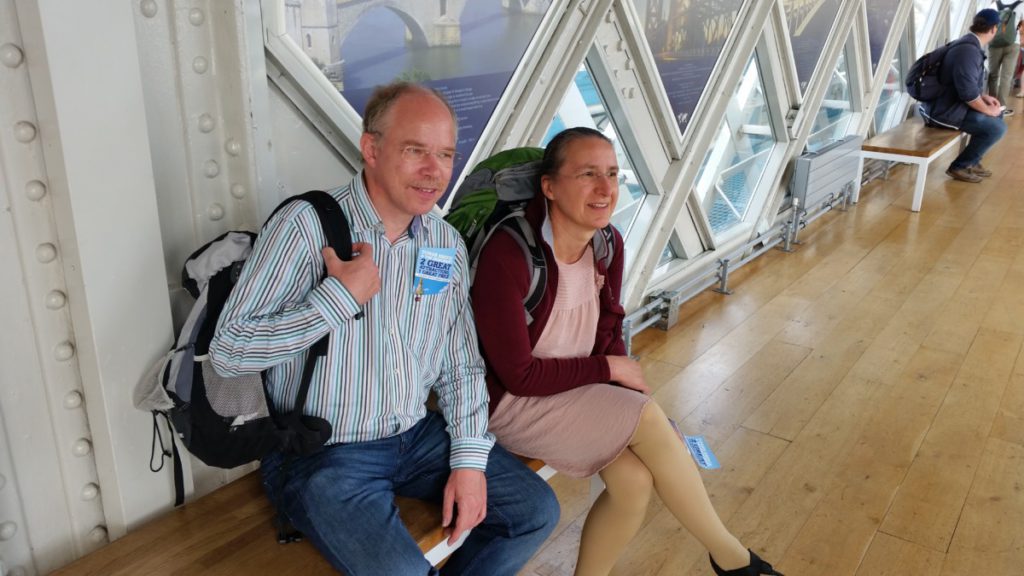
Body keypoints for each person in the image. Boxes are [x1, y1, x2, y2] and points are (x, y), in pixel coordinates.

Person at [209, 82, 559, 575]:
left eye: (444, 154)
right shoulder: (306, 226)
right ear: (371, 149)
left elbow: (459, 363)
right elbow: (229, 354)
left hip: (415, 436)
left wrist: (468, 460)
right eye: (416, 150)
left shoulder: (442, 242)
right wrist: (335, 300)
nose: (434, 171)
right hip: (324, 453)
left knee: (534, 512)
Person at [470, 127, 782, 576]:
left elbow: (608, 328)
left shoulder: (607, 243)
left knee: (633, 483)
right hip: (511, 403)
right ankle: (735, 561)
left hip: (576, 390)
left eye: (613, 174)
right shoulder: (511, 252)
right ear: (550, 187)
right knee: (648, 422)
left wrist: (626, 389)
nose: (605, 189)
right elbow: (518, 375)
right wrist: (614, 374)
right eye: (588, 174)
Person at [919, 8, 1008, 184]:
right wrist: (987, 111)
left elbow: (964, 84)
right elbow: (967, 93)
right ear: (993, 29)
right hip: (942, 112)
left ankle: (973, 161)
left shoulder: (968, 45)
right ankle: (959, 166)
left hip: (949, 105)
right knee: (996, 128)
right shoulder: (968, 51)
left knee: (998, 114)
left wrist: (983, 97)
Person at [988, 1, 1024, 113]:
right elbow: (1023, 26)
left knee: (993, 75)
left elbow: (987, 24)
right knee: (1006, 77)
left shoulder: (994, 4)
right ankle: (1002, 108)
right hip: (1013, 43)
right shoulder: (1021, 4)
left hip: (994, 43)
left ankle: (991, 105)